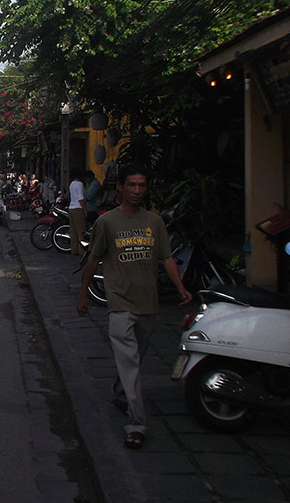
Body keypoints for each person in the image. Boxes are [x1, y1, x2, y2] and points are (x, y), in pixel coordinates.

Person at [76, 164, 192, 450]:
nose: (137, 191)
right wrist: (83, 294)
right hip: (119, 302)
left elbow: (166, 258)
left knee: (134, 359)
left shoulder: (155, 222)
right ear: (120, 189)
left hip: (148, 303)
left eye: (142, 186)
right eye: (132, 185)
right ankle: (136, 424)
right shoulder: (107, 222)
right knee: (130, 362)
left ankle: (119, 391)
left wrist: (181, 288)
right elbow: (92, 259)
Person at [68, 170, 87, 257]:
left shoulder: (72, 184)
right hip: (78, 208)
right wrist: (85, 210)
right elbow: (80, 198)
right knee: (81, 230)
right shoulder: (80, 184)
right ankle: (81, 250)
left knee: (73, 230)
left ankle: (74, 248)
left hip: (71, 207)